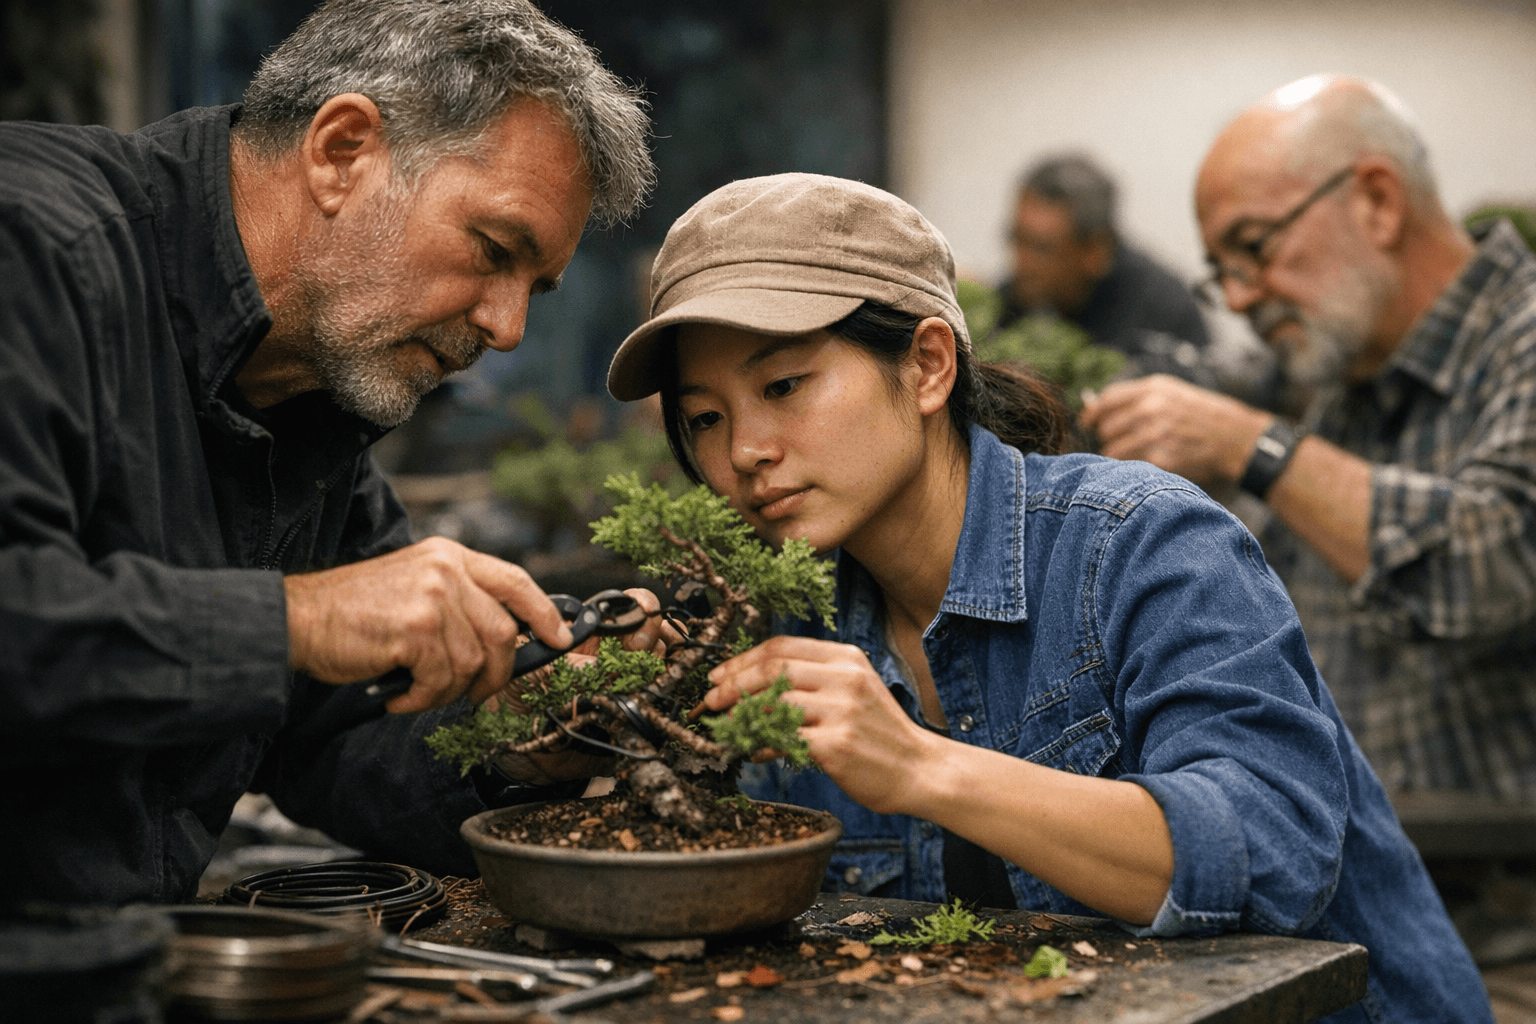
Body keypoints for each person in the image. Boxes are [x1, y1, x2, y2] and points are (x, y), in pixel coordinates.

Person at [604, 171, 1491, 1023]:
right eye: (706, 417)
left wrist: (920, 766)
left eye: (783, 386)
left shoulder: (1146, 544)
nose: (745, 450)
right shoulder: (780, 616)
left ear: (926, 366)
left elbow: (1272, 854)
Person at [0, 0, 656, 906]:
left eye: (534, 289)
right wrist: (299, 621)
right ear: (342, 151)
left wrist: (523, 737)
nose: (507, 329)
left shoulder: (307, 398)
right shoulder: (30, 244)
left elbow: (338, 737)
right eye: (493, 249)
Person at [1080, 75, 1536, 803]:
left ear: (1378, 203)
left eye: (1253, 248)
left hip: (1499, 890)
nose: (1237, 297)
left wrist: (1251, 448)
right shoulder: (1343, 366)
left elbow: (1499, 559)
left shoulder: (1520, 340)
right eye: (1221, 274)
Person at [999, 153, 1213, 382]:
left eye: (1041, 249)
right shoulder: (1015, 296)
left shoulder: (1166, 311)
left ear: (1095, 251)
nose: (1022, 262)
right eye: (1016, 239)